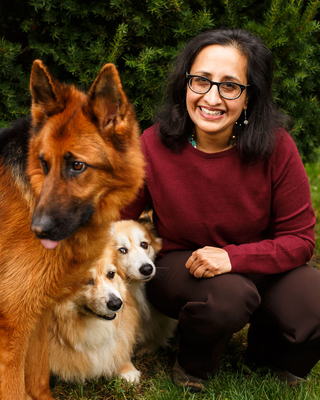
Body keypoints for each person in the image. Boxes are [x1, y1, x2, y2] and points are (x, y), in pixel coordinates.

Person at [121, 27, 319, 392]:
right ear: (185, 83)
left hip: (257, 261)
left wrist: (233, 258)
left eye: (229, 86)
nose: (211, 97)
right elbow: (118, 219)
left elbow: (300, 241)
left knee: (315, 300)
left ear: (250, 96)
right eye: (201, 81)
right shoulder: (153, 144)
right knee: (227, 297)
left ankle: (269, 355)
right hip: (183, 264)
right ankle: (195, 363)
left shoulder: (277, 147)